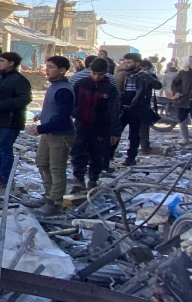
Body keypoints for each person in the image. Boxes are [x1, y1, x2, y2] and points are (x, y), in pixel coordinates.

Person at [28, 56, 75, 213]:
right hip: (49, 132)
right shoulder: (54, 86)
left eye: (51, 67)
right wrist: (42, 115)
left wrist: (40, 129)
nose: (46, 69)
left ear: (62, 70)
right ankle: (49, 195)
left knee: (57, 168)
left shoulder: (64, 90)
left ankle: (55, 202)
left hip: (60, 135)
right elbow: (54, 107)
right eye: (46, 66)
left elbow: (62, 118)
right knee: (42, 162)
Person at [70, 57, 120, 193]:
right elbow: (71, 103)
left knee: (97, 154)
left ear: (106, 73)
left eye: (101, 74)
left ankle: (93, 179)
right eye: (94, 73)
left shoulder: (110, 89)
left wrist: (115, 132)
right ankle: (78, 178)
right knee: (78, 151)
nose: (97, 77)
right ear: (90, 71)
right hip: (81, 124)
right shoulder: (81, 84)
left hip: (101, 127)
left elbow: (114, 110)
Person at [0, 51, 32, 187]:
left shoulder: (19, 80)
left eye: (2, 61)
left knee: (5, 148)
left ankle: (5, 176)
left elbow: (24, 99)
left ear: (11, 63)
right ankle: (1, 174)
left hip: (11, 120)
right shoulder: (0, 78)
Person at [113, 53, 162, 166]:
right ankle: (108, 157)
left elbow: (158, 85)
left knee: (134, 135)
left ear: (137, 63)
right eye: (125, 62)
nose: (126, 64)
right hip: (124, 109)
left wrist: (145, 75)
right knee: (115, 132)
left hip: (137, 110)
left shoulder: (144, 75)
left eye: (129, 62)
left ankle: (131, 158)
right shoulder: (126, 75)